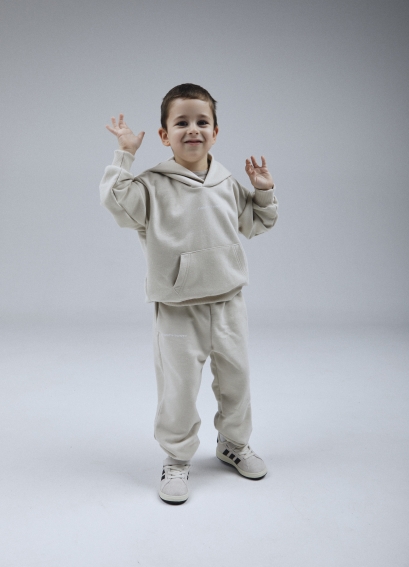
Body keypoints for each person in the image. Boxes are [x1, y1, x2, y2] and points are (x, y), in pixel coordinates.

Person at [99, 83, 278, 505]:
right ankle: (177, 458)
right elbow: (116, 202)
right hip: (178, 309)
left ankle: (233, 443)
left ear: (215, 132)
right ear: (165, 135)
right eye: (181, 123)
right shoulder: (151, 185)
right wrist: (124, 154)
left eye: (202, 122)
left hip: (228, 302)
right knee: (178, 390)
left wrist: (263, 190)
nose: (192, 129)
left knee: (236, 381)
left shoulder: (227, 182)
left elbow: (256, 223)